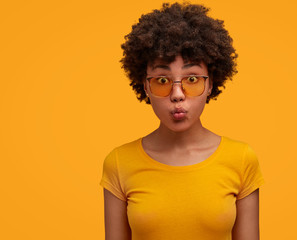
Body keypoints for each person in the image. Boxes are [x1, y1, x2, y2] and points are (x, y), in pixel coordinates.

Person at [99, 2, 265, 240]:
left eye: (192, 79)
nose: (177, 94)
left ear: (210, 84)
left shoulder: (241, 159)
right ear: (146, 85)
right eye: (162, 81)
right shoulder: (118, 163)